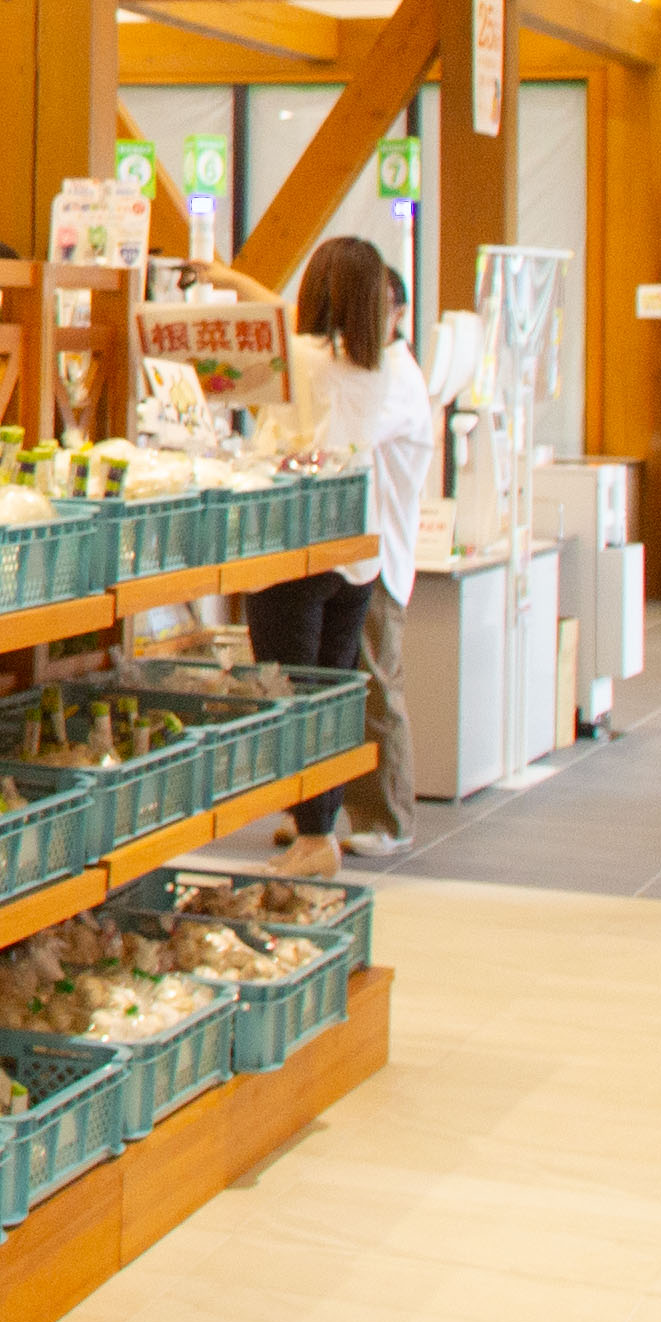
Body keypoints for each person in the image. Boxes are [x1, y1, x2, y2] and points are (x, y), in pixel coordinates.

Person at [248, 234, 437, 867]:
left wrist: (220, 275)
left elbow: (261, 325)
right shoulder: (379, 372)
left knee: (326, 691)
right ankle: (317, 818)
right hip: (361, 555)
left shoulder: (320, 363)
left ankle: (361, 819)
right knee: (338, 691)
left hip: (315, 550)